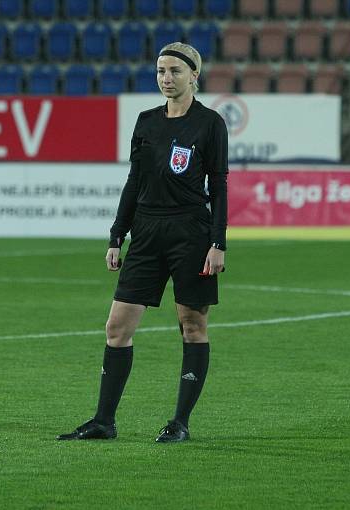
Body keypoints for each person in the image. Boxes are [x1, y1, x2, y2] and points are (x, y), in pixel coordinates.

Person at [57, 42, 228, 443]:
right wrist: (118, 234)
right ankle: (104, 420)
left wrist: (217, 242)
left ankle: (180, 423)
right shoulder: (146, 121)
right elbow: (135, 181)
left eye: (174, 71)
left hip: (190, 233)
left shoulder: (210, 124)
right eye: (160, 71)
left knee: (192, 324)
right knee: (116, 327)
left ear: (193, 76)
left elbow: (218, 185)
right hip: (147, 234)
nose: (166, 78)